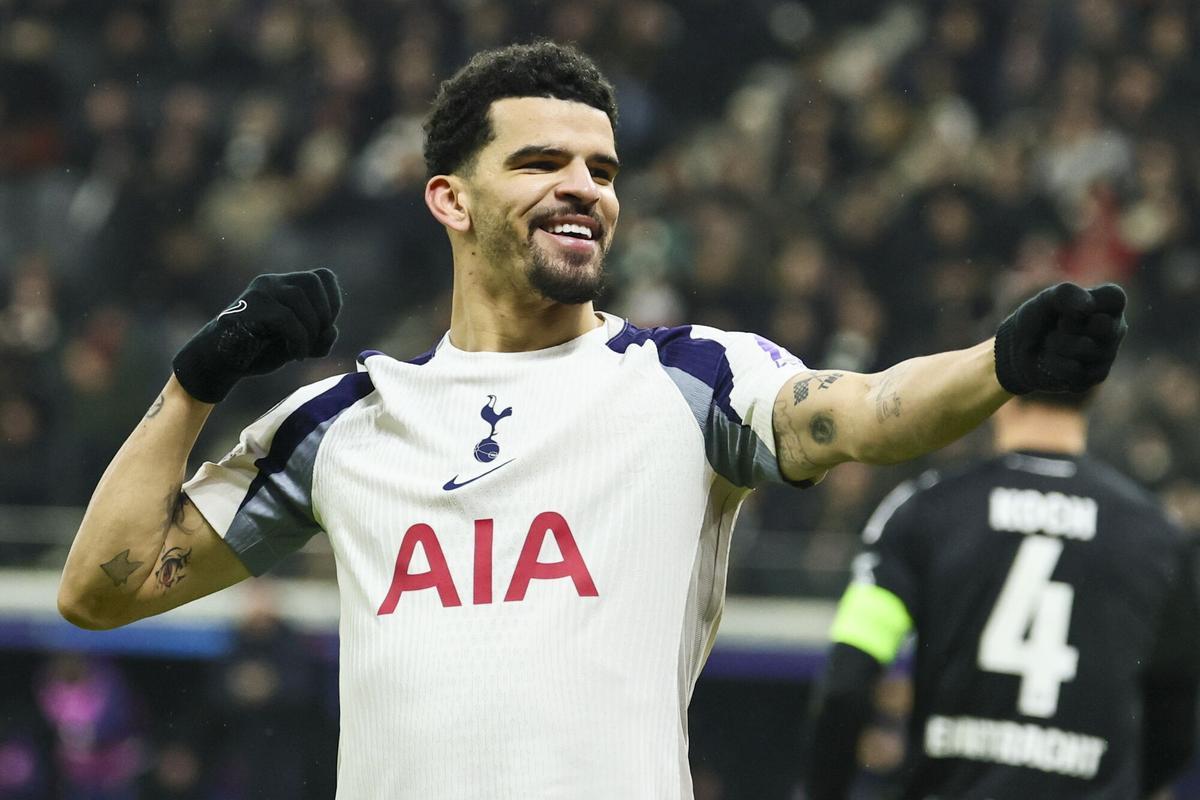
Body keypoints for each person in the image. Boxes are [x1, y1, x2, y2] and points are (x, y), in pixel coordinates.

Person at [57, 41, 1127, 798]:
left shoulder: (691, 378)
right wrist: (196, 381)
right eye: (541, 163)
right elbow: (101, 588)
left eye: (602, 170)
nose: (586, 189)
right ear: (449, 198)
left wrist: (999, 364)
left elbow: (863, 414)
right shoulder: (346, 420)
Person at [805, 389, 1200, 799]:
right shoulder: (1155, 535)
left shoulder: (927, 509)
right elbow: (1175, 727)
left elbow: (846, 682)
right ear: (1096, 390)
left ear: (1000, 385)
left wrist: (822, 791)